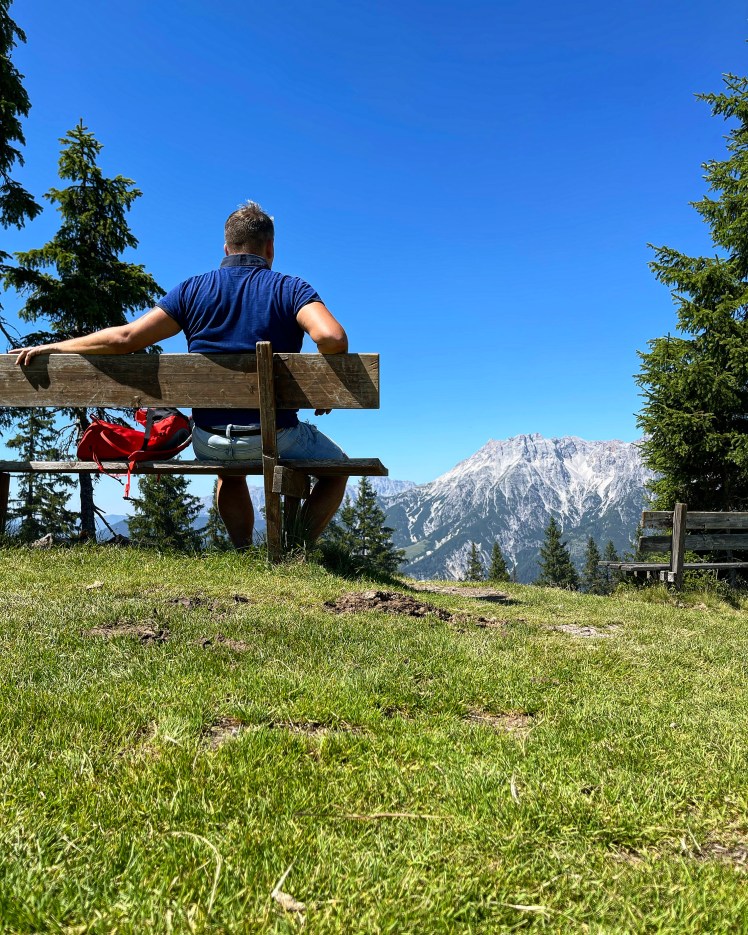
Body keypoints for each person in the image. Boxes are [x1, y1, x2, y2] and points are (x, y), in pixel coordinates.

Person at [11, 201, 350, 548]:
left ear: (226, 247)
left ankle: (244, 551)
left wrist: (56, 347)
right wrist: (320, 386)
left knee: (229, 472)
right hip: (276, 436)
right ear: (270, 248)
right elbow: (332, 338)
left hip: (209, 439)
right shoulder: (290, 289)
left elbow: (125, 338)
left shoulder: (192, 291)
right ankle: (294, 549)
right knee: (338, 469)